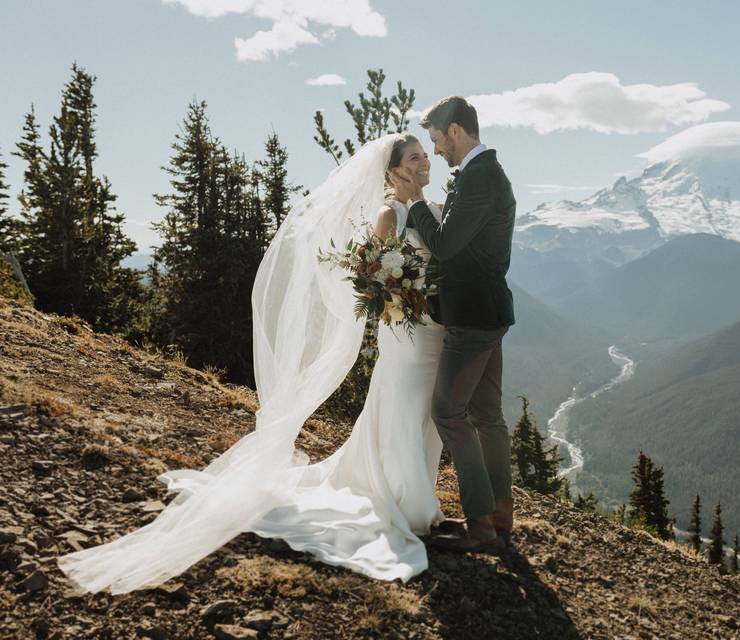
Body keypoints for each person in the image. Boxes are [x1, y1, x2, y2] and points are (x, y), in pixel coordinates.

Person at [58, 133, 452, 592]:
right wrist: (397, 295)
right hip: (403, 327)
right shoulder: (390, 214)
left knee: (425, 409)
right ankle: (408, 503)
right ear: (392, 170)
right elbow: (368, 276)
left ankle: (413, 490)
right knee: (404, 402)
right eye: (415, 156)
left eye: (426, 153)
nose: (425, 160)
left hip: (432, 328)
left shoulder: (435, 211)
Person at [398, 96, 517, 553]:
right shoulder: (481, 175)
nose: (436, 150)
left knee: (448, 412)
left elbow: (446, 246)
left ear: (455, 131)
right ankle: (499, 518)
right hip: (487, 313)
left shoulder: (482, 178)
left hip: (473, 317)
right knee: (487, 416)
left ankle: (481, 525)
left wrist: (416, 202)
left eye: (436, 140)